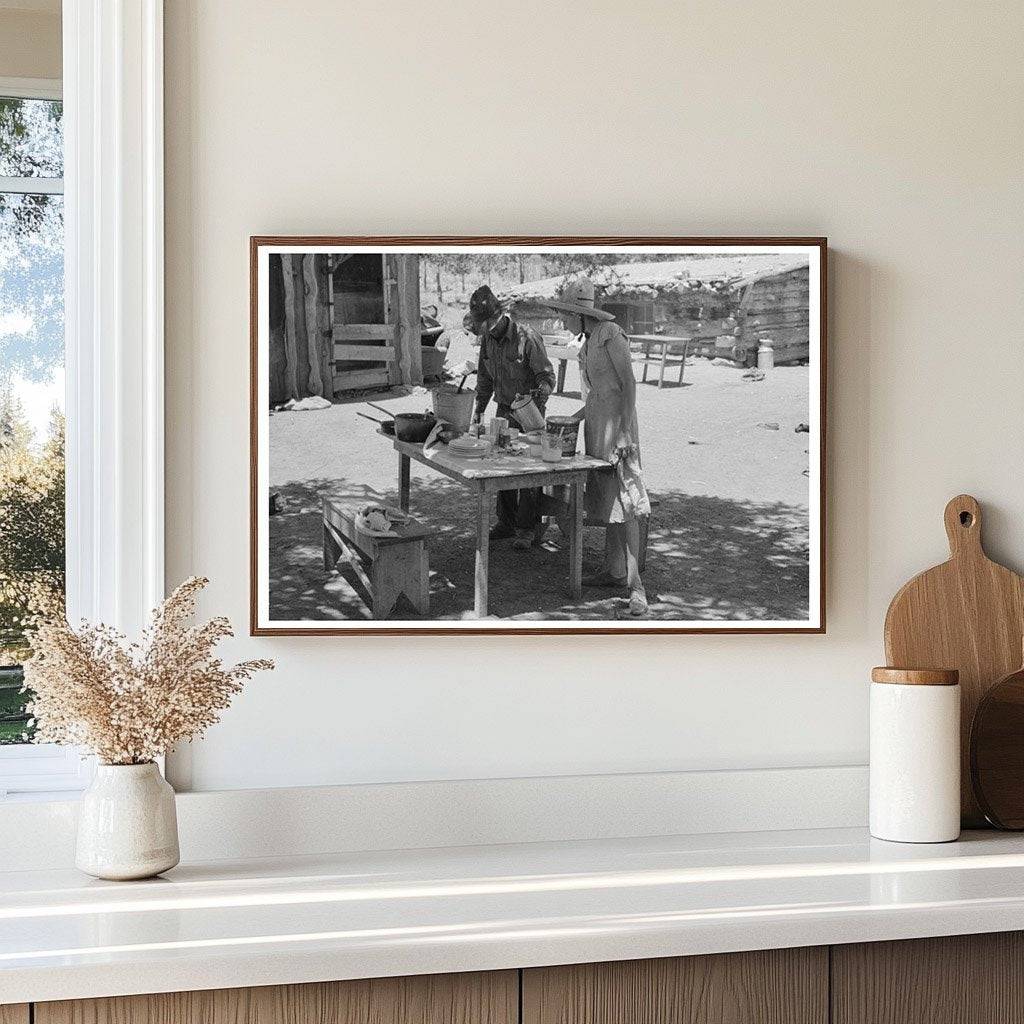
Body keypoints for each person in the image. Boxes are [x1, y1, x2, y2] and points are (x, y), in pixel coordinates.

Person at [546, 278, 650, 617]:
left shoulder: (610, 335)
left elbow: (628, 384)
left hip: (618, 430)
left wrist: (624, 433)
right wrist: (572, 418)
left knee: (628, 503)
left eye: (566, 314)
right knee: (609, 503)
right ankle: (614, 571)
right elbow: (595, 394)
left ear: (580, 313)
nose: (563, 321)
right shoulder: (588, 342)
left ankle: (637, 589)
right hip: (597, 428)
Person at [467, 285, 556, 549]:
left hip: (529, 413)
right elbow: (484, 380)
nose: (481, 330)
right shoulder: (487, 341)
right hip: (503, 411)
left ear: (495, 318)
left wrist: (536, 399)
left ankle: (527, 529)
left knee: (529, 472)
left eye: (484, 324)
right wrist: (478, 413)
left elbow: (547, 377)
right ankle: (506, 522)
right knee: (501, 467)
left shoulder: (527, 337)